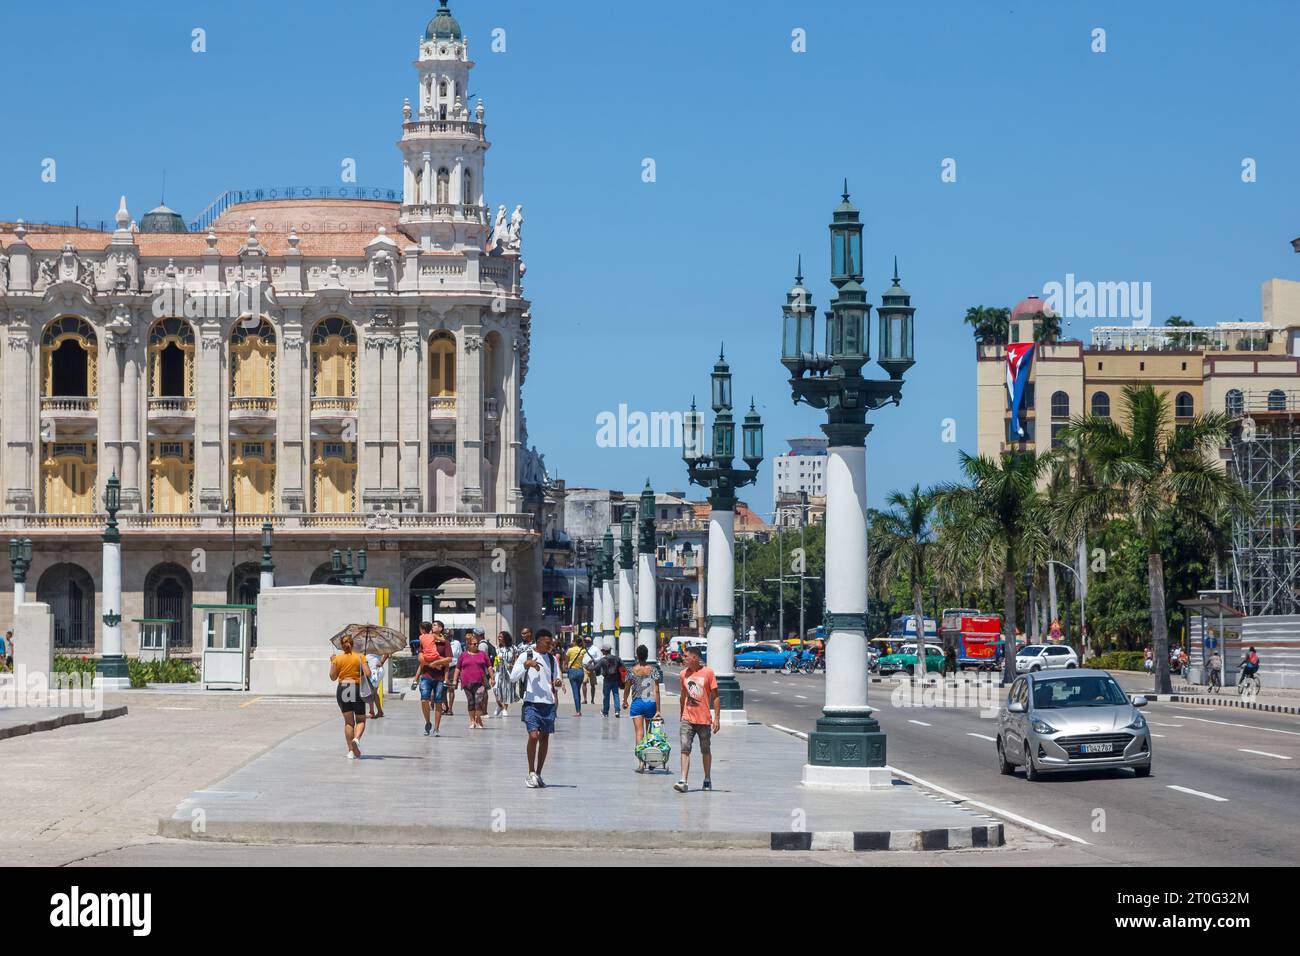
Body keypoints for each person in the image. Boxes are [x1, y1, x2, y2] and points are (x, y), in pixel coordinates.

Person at [510, 628, 563, 788]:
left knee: (545, 738)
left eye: (551, 643)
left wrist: (558, 683)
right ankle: (530, 771)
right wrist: (526, 665)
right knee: (533, 736)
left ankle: (538, 773)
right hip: (531, 702)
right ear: (539, 641)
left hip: (548, 703)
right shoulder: (526, 655)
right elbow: (513, 677)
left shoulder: (553, 659)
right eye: (547, 643)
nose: (550, 645)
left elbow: (557, 677)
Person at [675, 646, 719, 793]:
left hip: (704, 719)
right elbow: (683, 695)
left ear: (694, 658)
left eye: (686, 656)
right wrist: (682, 714)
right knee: (685, 748)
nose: (683, 658)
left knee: (705, 749)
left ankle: (707, 779)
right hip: (688, 718)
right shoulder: (683, 674)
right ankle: (683, 780)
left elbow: (716, 696)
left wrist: (717, 718)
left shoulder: (708, 673)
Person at [329, 634, 372, 759]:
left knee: (348, 722)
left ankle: (350, 751)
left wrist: (332, 662)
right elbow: (368, 674)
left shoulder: (338, 659)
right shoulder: (360, 656)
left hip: (343, 688)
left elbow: (332, 677)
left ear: (342, 646)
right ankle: (356, 739)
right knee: (361, 720)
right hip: (356, 688)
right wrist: (363, 662)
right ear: (353, 644)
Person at [622, 645, 662, 758]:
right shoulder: (653, 670)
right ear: (647, 655)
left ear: (637, 656)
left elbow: (627, 688)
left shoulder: (631, 671)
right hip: (650, 702)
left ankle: (640, 760)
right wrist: (658, 710)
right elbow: (657, 690)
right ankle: (650, 757)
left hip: (637, 703)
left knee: (639, 732)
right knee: (650, 733)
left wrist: (625, 701)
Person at [415, 621, 453, 737]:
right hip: (426, 675)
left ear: (441, 628)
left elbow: (449, 660)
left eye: (435, 625)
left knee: (438, 702)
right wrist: (416, 677)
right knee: (424, 700)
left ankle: (436, 728)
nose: (433, 626)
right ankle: (427, 722)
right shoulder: (426, 640)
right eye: (432, 625)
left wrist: (436, 662)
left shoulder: (445, 643)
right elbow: (420, 658)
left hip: (440, 678)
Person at [456, 632, 494, 730]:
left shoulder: (482, 654)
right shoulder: (463, 655)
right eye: (474, 644)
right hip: (466, 682)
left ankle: (478, 719)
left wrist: (492, 678)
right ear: (468, 644)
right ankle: (472, 720)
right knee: (471, 702)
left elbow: (489, 666)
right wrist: (455, 680)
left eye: (477, 643)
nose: (476, 645)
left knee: (479, 702)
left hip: (480, 682)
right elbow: (458, 668)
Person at [493, 631, 519, 718]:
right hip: (499, 671)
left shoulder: (513, 648)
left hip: (509, 672)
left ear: (505, 638)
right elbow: (495, 662)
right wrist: (497, 659)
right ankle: (500, 706)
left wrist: (513, 666)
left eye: (501, 636)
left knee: (507, 690)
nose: (499, 638)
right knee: (496, 689)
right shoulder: (497, 648)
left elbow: (516, 659)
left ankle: (505, 709)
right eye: (498, 636)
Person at [564, 636, 588, 716]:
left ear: (574, 642)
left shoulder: (570, 650)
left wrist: (565, 667)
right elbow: (585, 648)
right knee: (578, 690)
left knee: (575, 692)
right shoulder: (583, 650)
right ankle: (579, 709)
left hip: (572, 671)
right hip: (580, 671)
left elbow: (566, 661)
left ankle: (578, 711)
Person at [598, 645, 623, 717]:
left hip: (607, 680)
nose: (602, 651)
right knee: (616, 695)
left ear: (605, 651)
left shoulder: (603, 660)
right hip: (615, 679)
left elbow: (596, 667)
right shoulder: (617, 658)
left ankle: (605, 712)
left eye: (602, 650)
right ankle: (617, 711)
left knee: (606, 696)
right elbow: (623, 666)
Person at [365, 648, 390, 719]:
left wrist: (381, 662)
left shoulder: (377, 644)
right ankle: (377, 711)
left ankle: (373, 712)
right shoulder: (368, 645)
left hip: (375, 671)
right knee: (372, 691)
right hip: (373, 671)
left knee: (371, 691)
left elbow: (387, 653)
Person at [445, 629, 464, 716]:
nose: (447, 637)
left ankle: (450, 708)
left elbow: (460, 656)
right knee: (442, 689)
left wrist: (461, 670)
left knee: (451, 689)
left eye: (449, 635)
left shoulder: (456, 643)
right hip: (443, 667)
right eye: (446, 635)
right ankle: (445, 707)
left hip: (453, 667)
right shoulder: (442, 642)